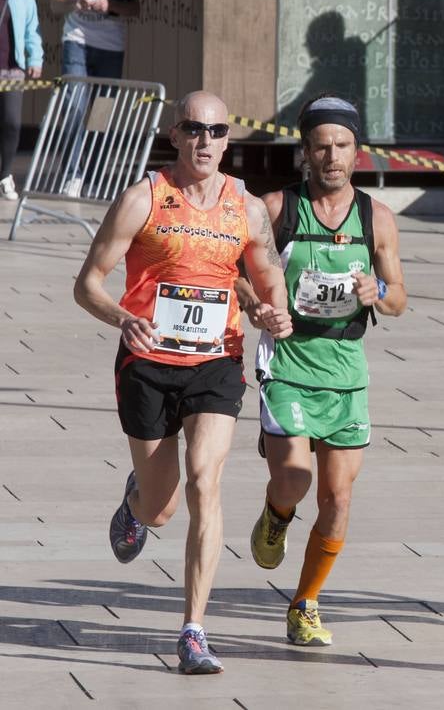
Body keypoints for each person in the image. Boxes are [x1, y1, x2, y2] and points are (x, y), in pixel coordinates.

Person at [72, 91, 292, 674]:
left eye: (216, 132)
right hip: (146, 362)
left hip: (217, 360)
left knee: (205, 481)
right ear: (176, 134)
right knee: (163, 507)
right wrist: (124, 319)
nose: (205, 141)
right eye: (194, 129)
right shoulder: (142, 198)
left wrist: (275, 312)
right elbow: (87, 284)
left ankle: (193, 629)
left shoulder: (244, 207)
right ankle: (135, 500)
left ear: (228, 141)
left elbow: (271, 279)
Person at [238, 96, 407, 647]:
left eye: (342, 146)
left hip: (346, 368)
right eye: (321, 147)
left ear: (357, 152)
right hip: (287, 362)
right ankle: (277, 512)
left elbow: (401, 296)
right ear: (306, 153)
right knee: (296, 479)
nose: (331, 156)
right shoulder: (276, 209)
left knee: (338, 498)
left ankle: (305, 603)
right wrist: (257, 304)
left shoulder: (375, 217)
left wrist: (376, 291)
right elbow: (234, 275)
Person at [51, 0, 140, 195]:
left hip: (110, 45)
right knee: (75, 107)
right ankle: (72, 174)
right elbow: (54, 3)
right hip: (76, 39)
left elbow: (135, 7)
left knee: (101, 113)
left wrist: (108, 4)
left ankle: (94, 174)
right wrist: (73, 3)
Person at [0, 0, 44, 201]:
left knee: (12, 122)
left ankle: (5, 174)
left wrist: (35, 59)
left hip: (12, 66)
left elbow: (32, 26)